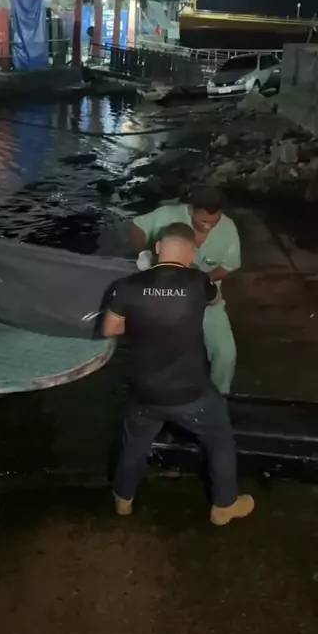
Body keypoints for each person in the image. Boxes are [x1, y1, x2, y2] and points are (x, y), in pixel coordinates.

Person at [102, 222, 254, 525]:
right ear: (192, 253)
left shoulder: (127, 285)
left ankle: (123, 499)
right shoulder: (199, 281)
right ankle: (224, 506)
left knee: (134, 443)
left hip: (145, 392)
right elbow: (215, 300)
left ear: (158, 248)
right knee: (220, 439)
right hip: (191, 392)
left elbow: (110, 329)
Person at [129, 186, 240, 394]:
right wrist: (143, 254)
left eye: (214, 222)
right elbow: (136, 227)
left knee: (226, 354)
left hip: (205, 295)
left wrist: (198, 282)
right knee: (162, 353)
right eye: (203, 221)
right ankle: (157, 395)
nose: (208, 226)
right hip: (166, 295)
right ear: (192, 209)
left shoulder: (228, 229)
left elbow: (228, 266)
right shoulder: (167, 215)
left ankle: (220, 396)